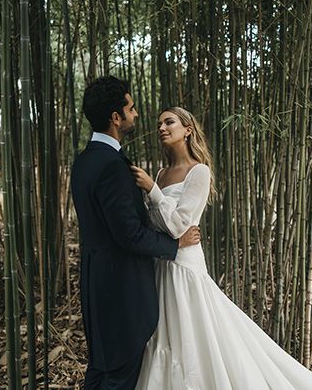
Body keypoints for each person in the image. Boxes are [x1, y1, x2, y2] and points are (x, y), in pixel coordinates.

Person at [130, 107, 312, 390]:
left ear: (188, 129)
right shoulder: (163, 172)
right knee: (164, 337)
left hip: (185, 266)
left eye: (169, 122)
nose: (162, 128)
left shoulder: (198, 172)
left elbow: (179, 224)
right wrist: (157, 197)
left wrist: (153, 191)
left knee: (190, 338)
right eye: (159, 124)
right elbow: (158, 222)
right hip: (162, 263)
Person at [71, 77, 202, 390]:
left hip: (95, 280)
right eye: (131, 108)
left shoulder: (84, 161)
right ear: (116, 117)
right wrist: (174, 244)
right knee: (118, 375)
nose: (137, 114)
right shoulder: (112, 165)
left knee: (101, 369)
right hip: (121, 288)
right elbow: (128, 234)